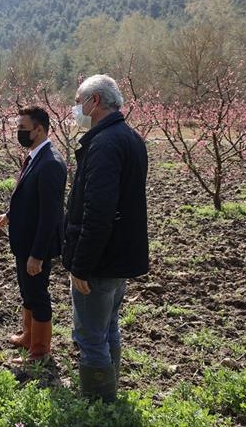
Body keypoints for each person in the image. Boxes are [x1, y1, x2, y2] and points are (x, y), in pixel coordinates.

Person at [62, 74, 149, 402]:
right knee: (109, 326)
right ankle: (109, 392)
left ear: (94, 101)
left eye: (77, 100)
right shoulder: (130, 138)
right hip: (120, 257)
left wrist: (80, 265)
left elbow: (97, 212)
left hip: (99, 261)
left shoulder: (103, 144)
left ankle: (98, 403)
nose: (75, 107)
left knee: (90, 334)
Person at [0, 106, 67, 363]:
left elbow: (50, 215)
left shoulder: (51, 164)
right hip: (24, 241)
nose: (19, 133)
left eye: (23, 129)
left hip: (37, 245)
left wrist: (37, 255)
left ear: (39, 129)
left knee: (38, 294)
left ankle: (40, 351)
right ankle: (28, 336)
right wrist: (10, 215)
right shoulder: (35, 156)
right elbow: (28, 197)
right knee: (27, 291)